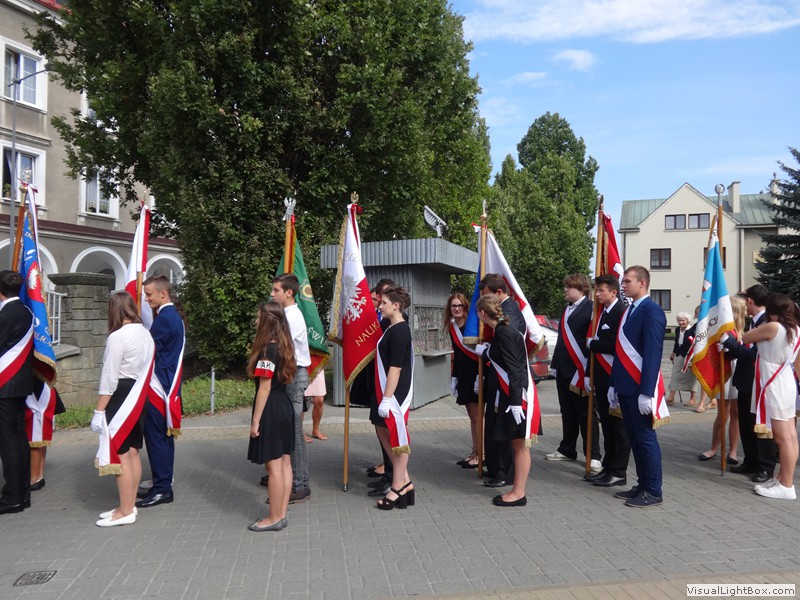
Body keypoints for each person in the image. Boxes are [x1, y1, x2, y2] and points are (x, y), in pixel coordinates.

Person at [93, 292, 155, 526]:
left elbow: (109, 376)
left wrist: (99, 410)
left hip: (121, 394)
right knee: (132, 451)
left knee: (120, 453)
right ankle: (128, 505)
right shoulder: (146, 333)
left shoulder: (117, 337)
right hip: (139, 393)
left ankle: (126, 511)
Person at [609, 266, 668, 508]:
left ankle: (653, 490)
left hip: (639, 388)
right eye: (623, 282)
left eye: (627, 282)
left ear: (642, 283)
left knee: (645, 438)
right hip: (625, 386)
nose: (622, 286)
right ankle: (643, 485)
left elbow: (653, 354)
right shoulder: (629, 310)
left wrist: (646, 392)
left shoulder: (652, 311)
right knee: (634, 437)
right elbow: (620, 350)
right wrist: (613, 383)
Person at [739, 293, 800, 500]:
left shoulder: (772, 327)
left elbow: (745, 338)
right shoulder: (795, 329)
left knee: (783, 438)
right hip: (785, 381)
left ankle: (787, 485)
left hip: (774, 384)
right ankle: (782, 478)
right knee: (790, 436)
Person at [476, 294, 532, 507]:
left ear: (482, 313)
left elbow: (515, 368)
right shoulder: (501, 330)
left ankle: (518, 493)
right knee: (517, 444)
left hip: (516, 396)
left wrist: (516, 402)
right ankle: (517, 490)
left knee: (520, 445)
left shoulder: (504, 332)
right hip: (510, 393)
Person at [246, 302, 296, 531]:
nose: (256, 321)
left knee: (273, 467)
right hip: (285, 405)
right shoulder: (285, 347)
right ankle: (281, 514)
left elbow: (264, 388)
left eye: (259, 318)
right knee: (285, 463)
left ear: (267, 322)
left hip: (271, 409)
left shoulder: (267, 351)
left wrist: (255, 420)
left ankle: (273, 518)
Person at [721, 284, 779, 482]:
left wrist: (730, 343)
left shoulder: (766, 322)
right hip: (748, 381)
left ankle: (765, 467)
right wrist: (729, 349)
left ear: (750, 301)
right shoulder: (754, 322)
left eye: (746, 301)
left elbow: (754, 354)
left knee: (761, 426)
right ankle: (751, 461)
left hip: (760, 382)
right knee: (746, 424)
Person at [137, 275, 185, 509]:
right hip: (164, 385)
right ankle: (161, 482)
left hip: (159, 387)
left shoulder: (165, 319)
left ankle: (162, 488)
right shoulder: (169, 316)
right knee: (162, 439)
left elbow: (148, 351)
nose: (146, 299)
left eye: (149, 294)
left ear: (163, 294)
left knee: (157, 439)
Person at [546, 273, 602, 472]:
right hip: (563, 369)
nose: (565, 289)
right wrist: (555, 365)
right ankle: (567, 448)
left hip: (581, 371)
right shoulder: (567, 308)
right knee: (567, 411)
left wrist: (587, 372)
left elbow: (590, 342)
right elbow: (563, 340)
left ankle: (593, 455)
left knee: (586, 414)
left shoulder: (592, 309)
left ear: (580, 288)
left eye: (568, 287)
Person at [584, 274, 630, 487]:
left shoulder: (621, 312)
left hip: (615, 377)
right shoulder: (601, 312)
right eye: (596, 290)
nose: (597, 294)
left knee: (619, 428)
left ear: (613, 292)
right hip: (602, 378)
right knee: (608, 428)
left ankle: (619, 472)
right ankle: (608, 467)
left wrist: (592, 344)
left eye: (601, 290)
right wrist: (588, 373)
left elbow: (615, 344)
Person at [374, 286, 415, 510]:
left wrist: (388, 398)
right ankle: (405, 482)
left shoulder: (400, 330)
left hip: (395, 391)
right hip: (386, 388)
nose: (380, 306)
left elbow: (396, 367)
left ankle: (397, 486)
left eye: (384, 303)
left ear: (396, 305)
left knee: (397, 437)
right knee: (382, 430)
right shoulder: (390, 327)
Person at [271, 273, 311, 503]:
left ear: (289, 293)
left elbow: (283, 348)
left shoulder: (292, 317)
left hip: (294, 376)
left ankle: (298, 484)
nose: (272, 294)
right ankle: (292, 480)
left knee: (293, 432)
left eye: (276, 290)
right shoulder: (285, 314)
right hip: (289, 376)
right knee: (291, 431)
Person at [0, 270, 35, 515]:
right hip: (20, 384)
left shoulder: (5, 315)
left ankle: (12, 497)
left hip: (5, 384)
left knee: (8, 441)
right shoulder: (26, 311)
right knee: (19, 439)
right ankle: (22, 493)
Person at [698, 295, 745, 463]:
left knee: (736, 413)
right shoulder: (723, 329)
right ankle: (714, 448)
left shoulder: (745, 329)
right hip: (725, 369)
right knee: (723, 414)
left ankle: (733, 451)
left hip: (739, 370)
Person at [444, 292, 481, 469]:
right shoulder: (452, 327)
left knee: (477, 416)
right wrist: (455, 377)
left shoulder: (474, 326)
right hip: (463, 375)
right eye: (453, 305)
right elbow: (457, 355)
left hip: (476, 374)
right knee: (471, 415)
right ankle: (475, 450)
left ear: (465, 306)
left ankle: (481, 454)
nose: (457, 308)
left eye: (460, 305)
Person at [26, 378, 65, 491]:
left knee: (35, 436)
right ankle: (38, 476)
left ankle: (34, 479)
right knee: (39, 436)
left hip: (36, 389)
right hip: (41, 384)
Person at [667, 312, 697, 406]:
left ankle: (693, 398)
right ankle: (671, 396)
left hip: (689, 356)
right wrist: (673, 353)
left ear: (688, 321)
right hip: (678, 355)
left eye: (683, 320)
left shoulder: (693, 330)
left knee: (691, 377)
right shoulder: (677, 330)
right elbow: (676, 343)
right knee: (675, 375)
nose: (681, 322)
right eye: (679, 320)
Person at [305, 371, 328, 441]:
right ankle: (299, 433)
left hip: (317, 367)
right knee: (302, 400)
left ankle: (315, 431)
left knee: (319, 400)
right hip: (302, 367)